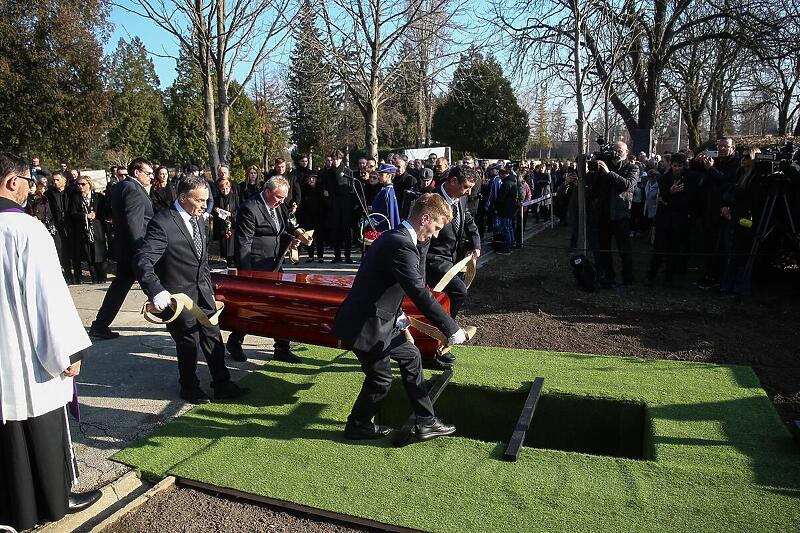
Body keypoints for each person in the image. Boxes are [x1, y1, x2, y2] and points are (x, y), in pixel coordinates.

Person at [0, 152, 101, 531]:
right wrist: (67, 352)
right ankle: (50, 501)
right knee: (39, 422)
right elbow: (48, 300)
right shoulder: (26, 229)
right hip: (24, 357)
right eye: (29, 180)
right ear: (13, 181)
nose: (32, 187)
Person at [333, 193, 468, 441]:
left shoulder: (402, 239)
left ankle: (426, 421)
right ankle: (358, 425)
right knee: (381, 379)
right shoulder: (400, 244)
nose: (436, 234)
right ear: (425, 218)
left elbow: (401, 283)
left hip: (381, 320)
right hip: (367, 326)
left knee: (411, 355)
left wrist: (400, 316)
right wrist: (451, 328)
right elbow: (418, 291)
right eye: (436, 227)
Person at [135, 175, 249, 404]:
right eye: (199, 201)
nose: (204, 206)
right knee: (189, 341)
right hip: (178, 297)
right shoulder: (163, 222)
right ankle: (188, 387)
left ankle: (222, 383)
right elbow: (143, 260)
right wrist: (156, 290)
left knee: (212, 336)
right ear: (183, 197)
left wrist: (211, 288)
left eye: (206, 200)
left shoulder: (198, 218)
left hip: (203, 292)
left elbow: (201, 260)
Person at [228, 176, 302, 363]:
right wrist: (246, 274)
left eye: (284, 198)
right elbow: (243, 243)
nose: (282, 201)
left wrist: (292, 238)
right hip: (256, 268)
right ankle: (235, 341)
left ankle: (282, 347)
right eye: (279, 197)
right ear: (267, 192)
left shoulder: (278, 206)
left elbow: (277, 232)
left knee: (283, 306)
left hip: (276, 265)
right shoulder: (250, 208)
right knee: (251, 309)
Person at [89, 158, 154, 339]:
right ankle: (179, 320)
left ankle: (100, 325)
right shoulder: (133, 190)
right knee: (155, 285)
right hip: (135, 248)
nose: (151, 177)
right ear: (136, 172)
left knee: (120, 287)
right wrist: (141, 250)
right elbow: (134, 224)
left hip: (126, 249)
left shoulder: (122, 186)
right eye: (148, 173)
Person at [426, 165, 481, 320]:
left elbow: (469, 221)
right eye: (466, 187)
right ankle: (446, 328)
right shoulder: (432, 199)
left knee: (449, 296)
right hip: (434, 260)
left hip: (453, 259)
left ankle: (441, 328)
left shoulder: (461, 198)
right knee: (459, 291)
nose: (469, 192)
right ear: (454, 181)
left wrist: (476, 245)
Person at [69, 176, 108, 283]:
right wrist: (85, 216)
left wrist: (97, 215)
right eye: (78, 184)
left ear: (89, 184)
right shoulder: (76, 198)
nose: (80, 186)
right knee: (88, 253)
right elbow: (73, 213)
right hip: (84, 229)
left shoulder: (98, 197)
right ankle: (94, 277)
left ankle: (102, 276)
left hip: (97, 227)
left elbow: (104, 212)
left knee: (100, 252)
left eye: (83, 184)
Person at [45, 170, 74, 283]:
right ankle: (66, 275)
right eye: (54, 180)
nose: (55, 182)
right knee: (61, 250)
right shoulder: (49, 194)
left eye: (58, 180)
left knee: (74, 250)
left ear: (64, 181)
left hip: (71, 225)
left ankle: (78, 275)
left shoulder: (72, 192)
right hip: (57, 226)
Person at [297, 172, 326, 262]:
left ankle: (320, 256)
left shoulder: (320, 188)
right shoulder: (304, 189)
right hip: (308, 216)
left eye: (313, 178)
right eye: (309, 178)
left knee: (320, 237)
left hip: (320, 216)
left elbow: (325, 202)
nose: (311, 180)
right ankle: (310, 256)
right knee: (309, 236)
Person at [212, 177, 239, 266]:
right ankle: (226, 260)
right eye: (223, 189)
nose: (225, 190)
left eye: (227, 188)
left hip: (233, 224)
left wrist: (231, 214)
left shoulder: (235, 197)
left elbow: (239, 209)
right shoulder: (217, 198)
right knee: (224, 244)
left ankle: (233, 260)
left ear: (230, 188)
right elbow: (213, 209)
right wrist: (215, 209)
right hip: (222, 225)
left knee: (232, 245)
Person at [370, 163, 401, 231]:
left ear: (389, 175)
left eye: (381, 174)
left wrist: (372, 221)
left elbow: (387, 213)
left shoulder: (387, 191)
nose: (379, 177)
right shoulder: (386, 189)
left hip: (383, 228)